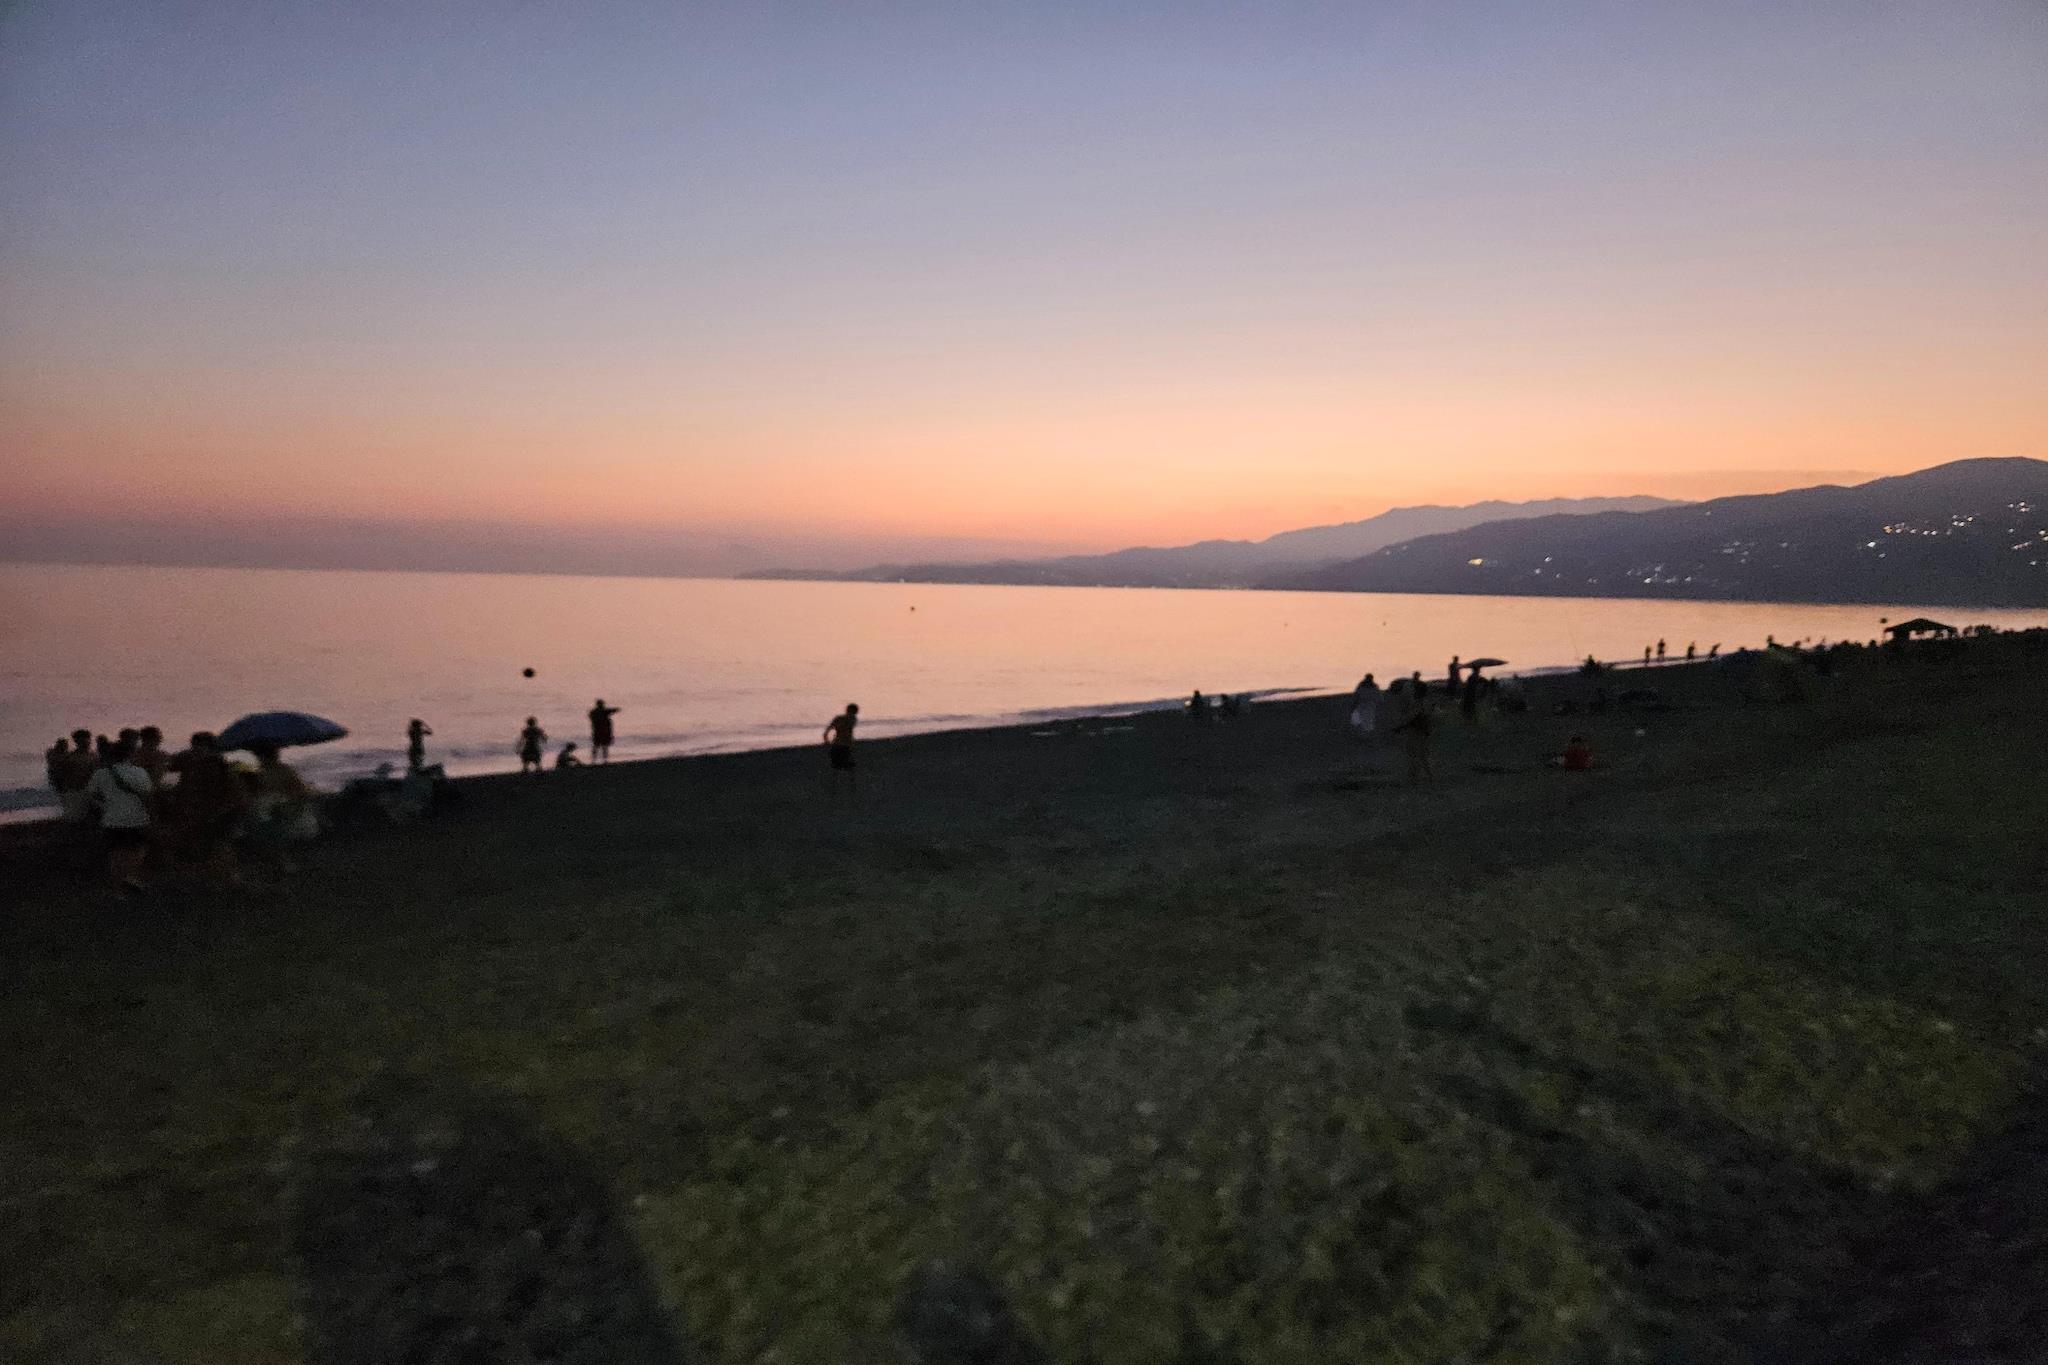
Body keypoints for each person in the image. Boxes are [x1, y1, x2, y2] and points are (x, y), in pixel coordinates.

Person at [168, 731, 247, 884]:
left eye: (199, 746)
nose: (195, 749)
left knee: (212, 846)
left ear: (208, 747)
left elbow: (227, 793)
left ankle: (220, 878)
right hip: (198, 812)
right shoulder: (192, 761)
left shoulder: (216, 765)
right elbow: (172, 767)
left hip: (212, 813)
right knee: (198, 846)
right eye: (194, 746)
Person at [84, 736, 155, 892]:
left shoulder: (101, 773)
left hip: (111, 819)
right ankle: (130, 877)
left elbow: (90, 794)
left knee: (115, 854)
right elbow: (148, 795)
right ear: (130, 754)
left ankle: (119, 888)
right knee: (138, 850)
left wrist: (103, 806)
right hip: (137, 818)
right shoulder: (140, 772)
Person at [1396, 677, 1434, 784]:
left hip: (1415, 731)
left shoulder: (1418, 703)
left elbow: (1412, 717)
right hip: (1424, 731)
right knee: (1423, 754)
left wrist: (1400, 727)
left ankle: (1415, 777)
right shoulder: (1427, 702)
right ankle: (1429, 775)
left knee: (1414, 754)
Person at [824, 703, 859, 797]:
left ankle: (836, 787)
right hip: (844, 746)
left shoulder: (840, 718)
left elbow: (827, 731)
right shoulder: (851, 719)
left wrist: (827, 742)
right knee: (847, 767)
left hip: (837, 745)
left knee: (837, 767)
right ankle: (851, 788)